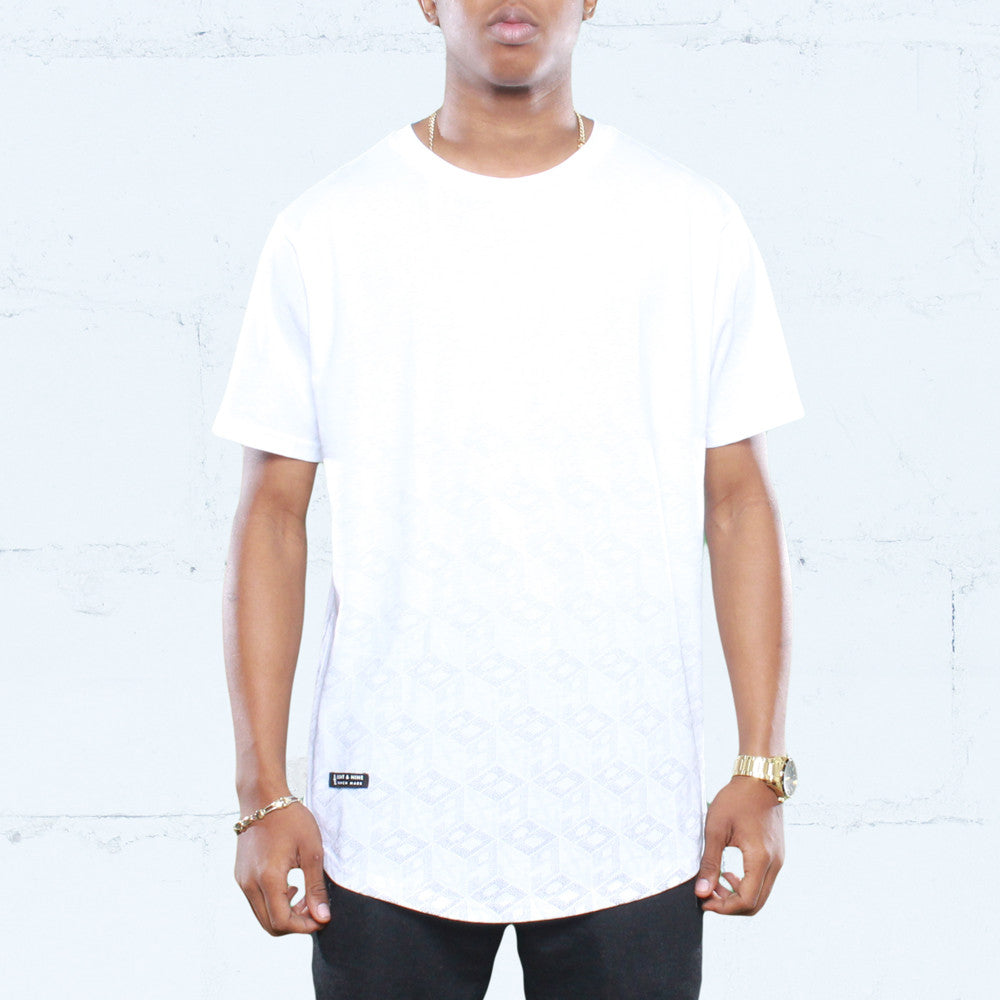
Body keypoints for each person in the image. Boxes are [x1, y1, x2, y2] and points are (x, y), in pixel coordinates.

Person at [212, 1, 804, 997]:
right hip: (389, 813)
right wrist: (261, 791)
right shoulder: (328, 230)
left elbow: (738, 500)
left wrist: (763, 764)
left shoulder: (688, 222)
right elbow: (273, 516)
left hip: (628, 811)